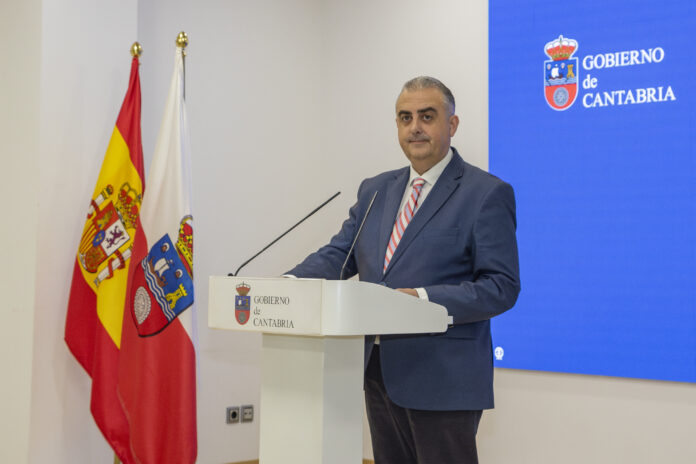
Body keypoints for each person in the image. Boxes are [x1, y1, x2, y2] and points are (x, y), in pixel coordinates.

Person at [286, 76, 520, 463]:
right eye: (405, 117)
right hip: (378, 370)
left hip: (444, 375)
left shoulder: (485, 193)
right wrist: (288, 283)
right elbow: (341, 254)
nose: (415, 127)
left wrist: (420, 298)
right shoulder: (376, 189)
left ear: (452, 124)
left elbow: (501, 286)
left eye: (427, 116)